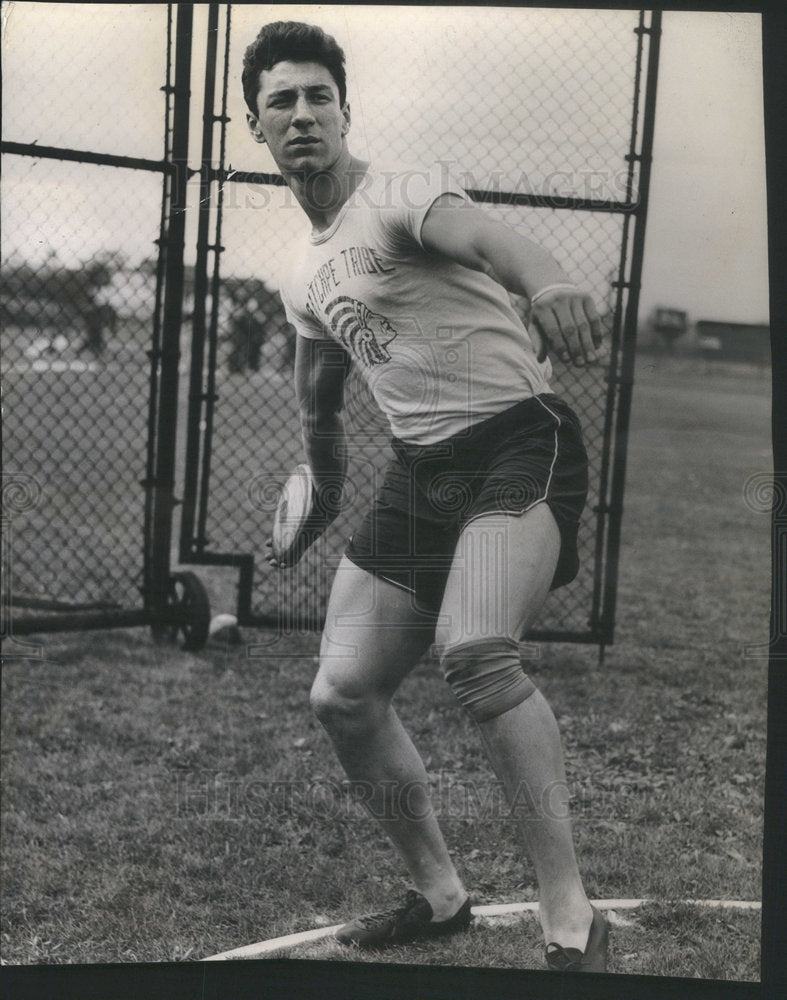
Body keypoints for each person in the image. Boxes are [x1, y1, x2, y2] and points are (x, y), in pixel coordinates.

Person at [243, 21, 608, 972]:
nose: (303, 114)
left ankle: (568, 909)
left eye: (319, 95)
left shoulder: (401, 197)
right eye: (281, 100)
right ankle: (441, 897)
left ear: (345, 109)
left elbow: (491, 239)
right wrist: (319, 489)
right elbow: (319, 395)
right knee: (343, 694)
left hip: (517, 443)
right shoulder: (302, 273)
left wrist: (553, 280)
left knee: (479, 651)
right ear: (256, 128)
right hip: (422, 470)